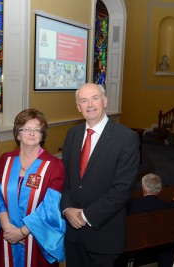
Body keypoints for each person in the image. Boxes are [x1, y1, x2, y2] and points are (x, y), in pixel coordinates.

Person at [61, 83, 140, 266]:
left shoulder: (126, 138)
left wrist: (85, 216)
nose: (90, 104)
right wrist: (67, 209)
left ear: (104, 101)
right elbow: (64, 179)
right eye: (84, 100)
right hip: (73, 235)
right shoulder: (72, 134)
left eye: (95, 98)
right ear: (78, 107)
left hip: (104, 235)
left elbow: (122, 189)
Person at [0, 108, 65, 267]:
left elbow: (50, 207)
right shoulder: (5, 160)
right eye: (26, 129)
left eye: (37, 129)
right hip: (8, 234)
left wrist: (22, 232)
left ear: (42, 135)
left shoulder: (53, 165)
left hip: (37, 237)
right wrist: (7, 227)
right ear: (18, 134)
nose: (32, 133)